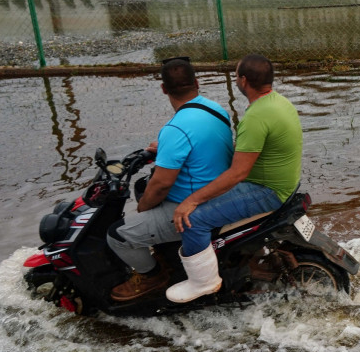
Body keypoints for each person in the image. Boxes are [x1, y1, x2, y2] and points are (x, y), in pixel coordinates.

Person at [167, 53, 303, 303]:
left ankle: (204, 283)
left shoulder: (256, 116)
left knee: (192, 220)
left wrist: (191, 201)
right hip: (285, 184)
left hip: (266, 191)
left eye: (236, 75)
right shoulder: (278, 102)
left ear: (243, 81)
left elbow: (238, 173)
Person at [108, 57, 233, 302]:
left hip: (191, 205)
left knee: (117, 234)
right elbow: (202, 145)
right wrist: (164, 149)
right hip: (220, 193)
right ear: (197, 83)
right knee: (143, 187)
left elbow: (162, 184)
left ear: (164, 88)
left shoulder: (175, 129)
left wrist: (142, 208)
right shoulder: (216, 110)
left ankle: (152, 275)